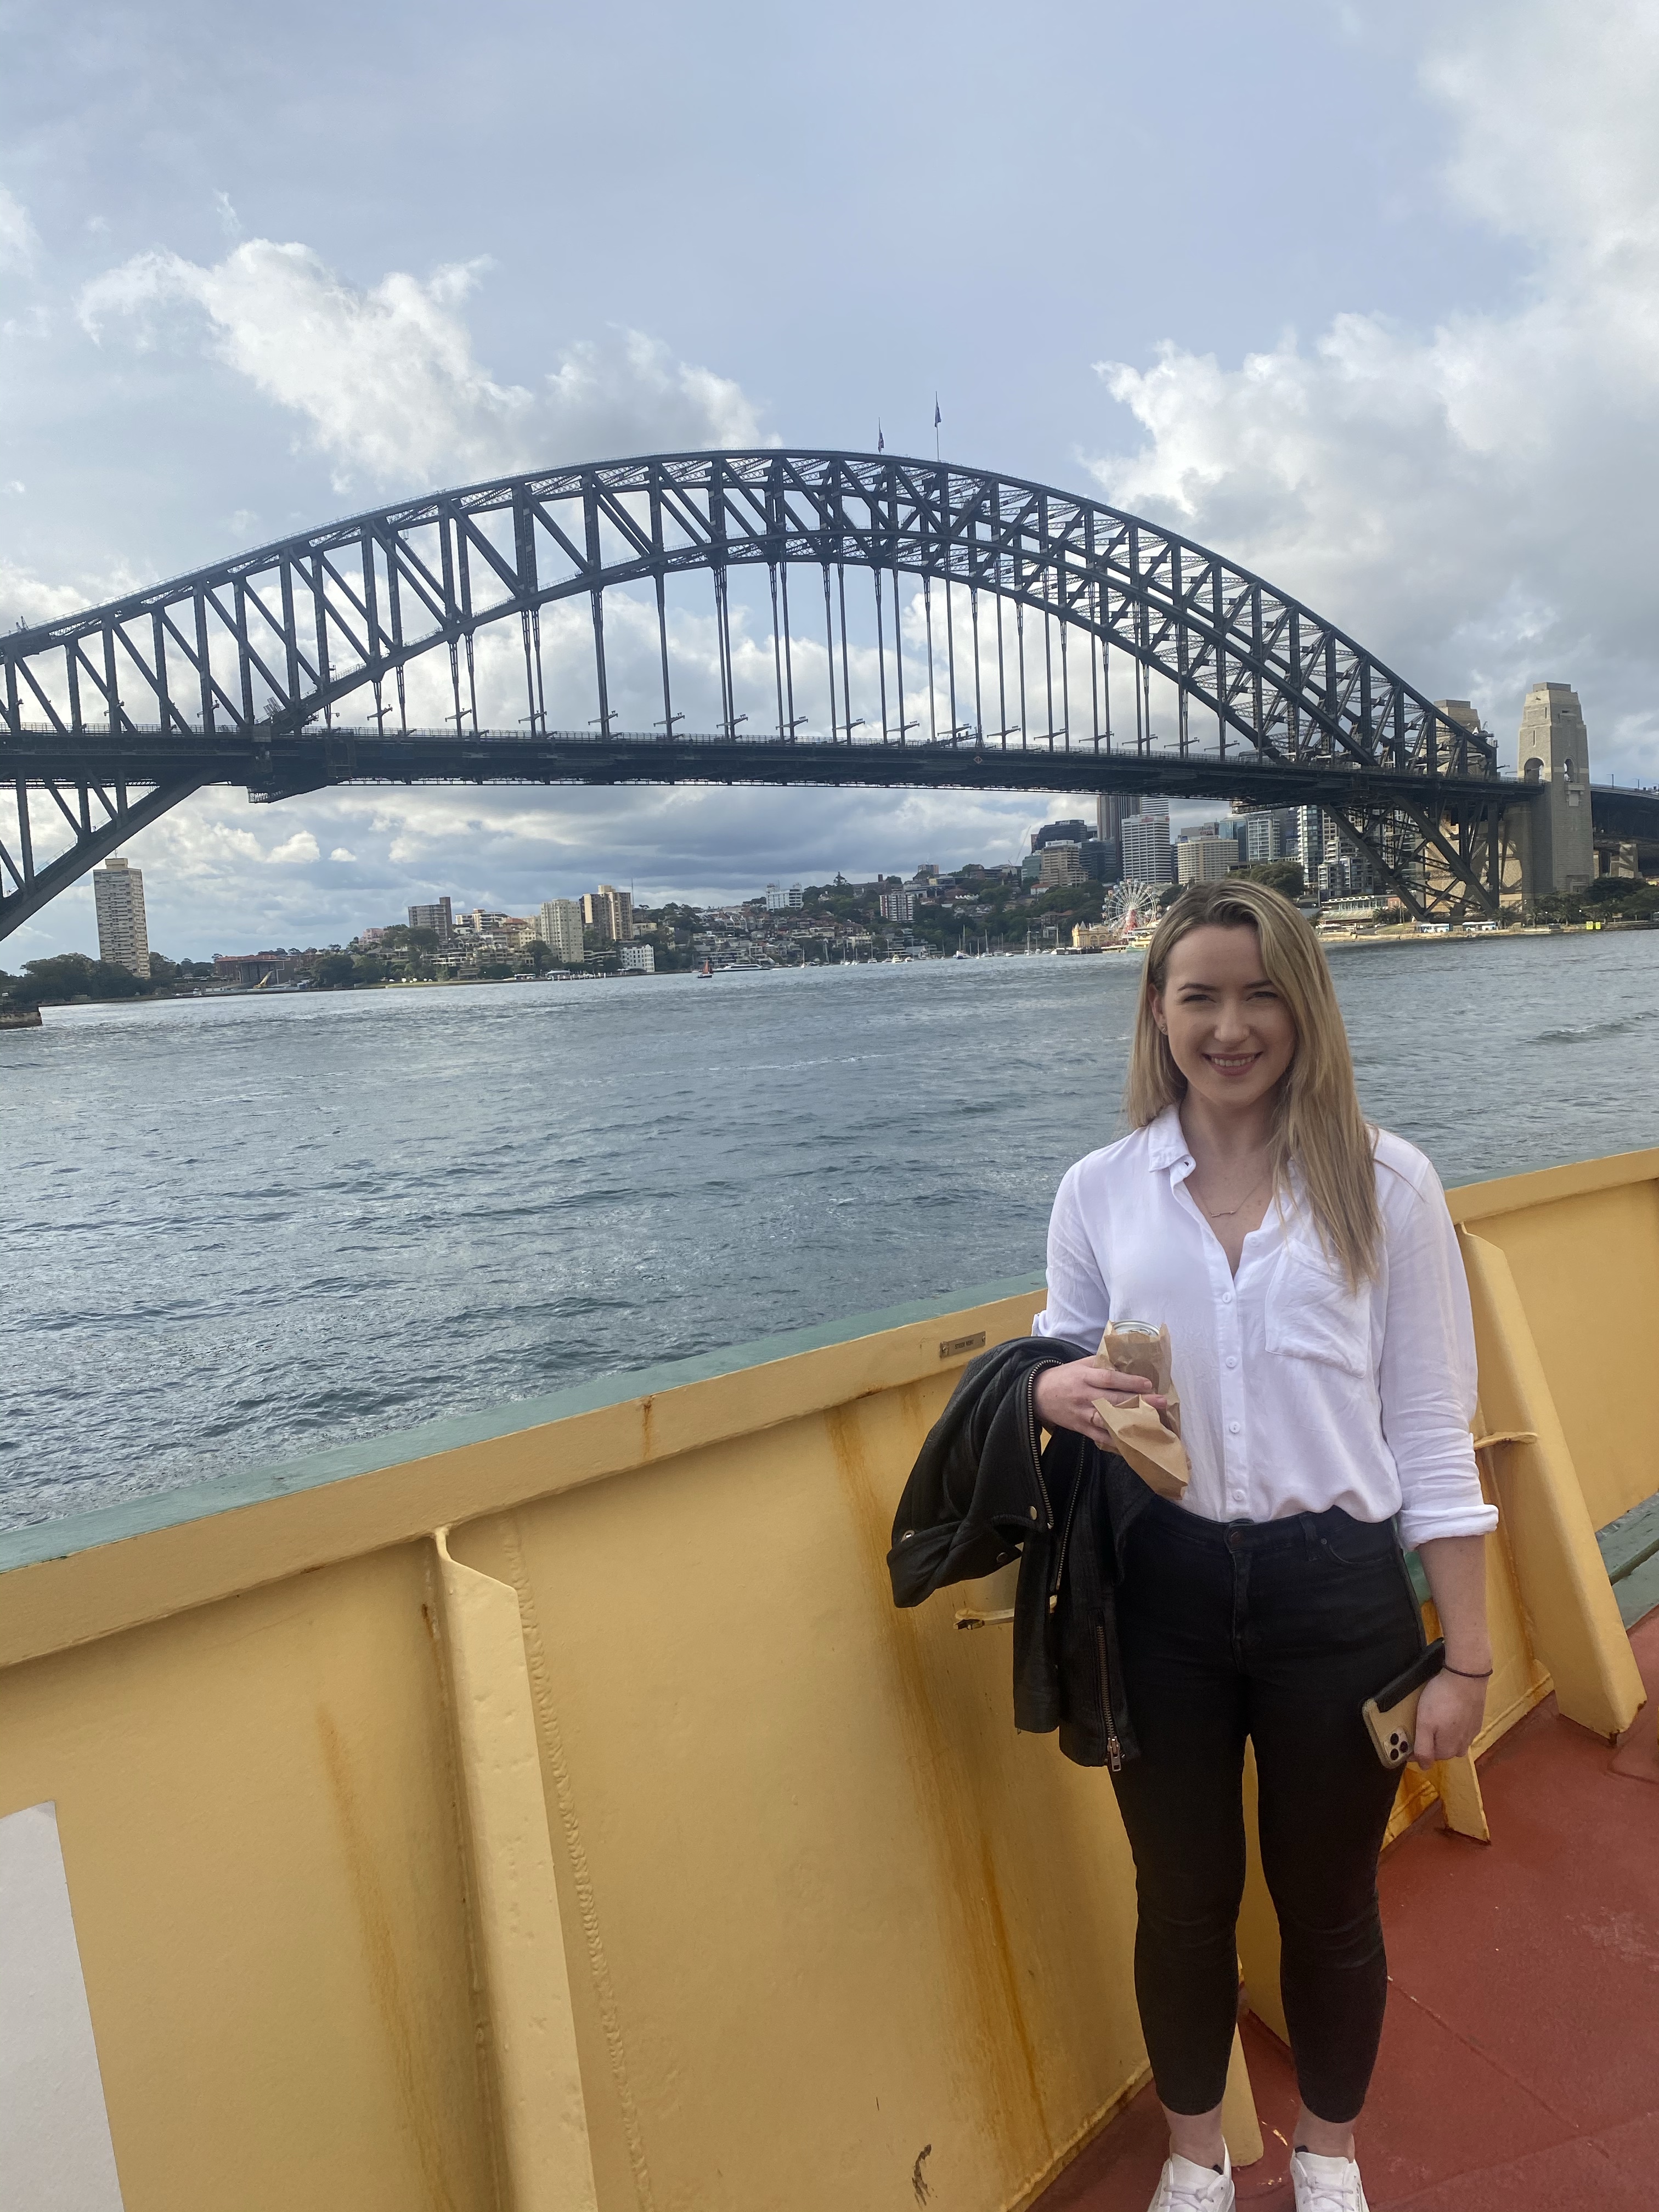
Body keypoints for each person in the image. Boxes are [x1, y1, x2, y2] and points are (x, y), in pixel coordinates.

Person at [1031, 878, 1496, 2212]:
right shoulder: (1102, 1189)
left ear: (1306, 1005)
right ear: (1157, 1009)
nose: (1231, 1027)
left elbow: (1431, 1434)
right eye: (1201, 996)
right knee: (1179, 1899)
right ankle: (1198, 2160)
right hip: (1159, 1589)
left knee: (1331, 1901)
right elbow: (1057, 1350)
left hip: (1335, 1593)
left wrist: (1465, 1659)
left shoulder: (1387, 1184)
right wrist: (1048, 1388)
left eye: (1261, 994)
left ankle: (1329, 2155)